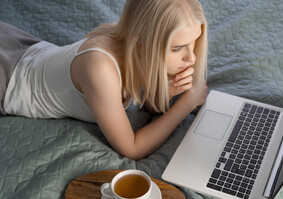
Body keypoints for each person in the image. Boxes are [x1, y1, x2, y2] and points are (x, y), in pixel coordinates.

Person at [0, 0, 208, 160]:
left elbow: (145, 105)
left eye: (194, 42)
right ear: (142, 43)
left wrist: (166, 93)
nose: (192, 58)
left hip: (26, 48)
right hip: (8, 80)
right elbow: (132, 148)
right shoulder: (99, 68)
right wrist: (187, 103)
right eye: (178, 48)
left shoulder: (132, 46)